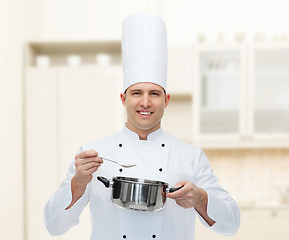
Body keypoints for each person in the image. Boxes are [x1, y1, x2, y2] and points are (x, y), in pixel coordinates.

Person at [44, 14, 240, 240]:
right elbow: (53, 226)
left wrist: (201, 199)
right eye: (136, 93)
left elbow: (231, 224)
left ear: (166, 100)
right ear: (123, 98)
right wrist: (77, 183)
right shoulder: (92, 156)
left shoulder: (191, 156)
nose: (145, 102)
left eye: (154, 94)